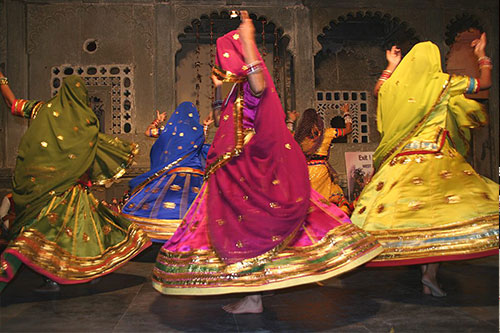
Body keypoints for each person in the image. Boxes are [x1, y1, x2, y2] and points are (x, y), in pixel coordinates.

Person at [152, 11, 382, 314]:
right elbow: (228, 116)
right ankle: (253, 296)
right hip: (233, 166)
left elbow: (258, 85)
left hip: (249, 167)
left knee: (255, 227)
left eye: (224, 59)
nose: (221, 66)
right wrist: (220, 85)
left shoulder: (252, 79)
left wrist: (247, 40)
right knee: (242, 229)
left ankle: (254, 297)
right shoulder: (236, 87)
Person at [350, 33, 498, 297]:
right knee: (439, 216)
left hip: (402, 162)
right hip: (437, 159)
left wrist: (391, 66)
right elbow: (484, 83)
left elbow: (378, 92)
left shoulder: (398, 85)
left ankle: (427, 275)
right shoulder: (443, 82)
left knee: (407, 217)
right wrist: (481, 54)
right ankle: (429, 274)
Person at [0, 73, 151, 292]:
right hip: (74, 191)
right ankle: (86, 273)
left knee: (47, 233)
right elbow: (96, 146)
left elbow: (12, 103)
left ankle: (55, 278)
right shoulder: (87, 119)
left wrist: (3, 81)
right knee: (82, 234)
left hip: (44, 189)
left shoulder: (43, 109)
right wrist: (123, 150)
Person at [121, 102, 211, 242]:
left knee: (156, 201)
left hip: (172, 174)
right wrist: (205, 126)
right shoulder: (198, 130)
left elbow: (149, 132)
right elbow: (202, 142)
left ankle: (160, 231)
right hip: (195, 176)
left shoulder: (171, 129)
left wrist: (157, 121)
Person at [294, 105, 353, 214]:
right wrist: (346, 113)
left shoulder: (298, 137)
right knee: (327, 200)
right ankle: (331, 222)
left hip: (304, 172)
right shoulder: (327, 133)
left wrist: (290, 121)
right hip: (321, 171)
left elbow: (284, 135)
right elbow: (348, 129)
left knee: (309, 204)